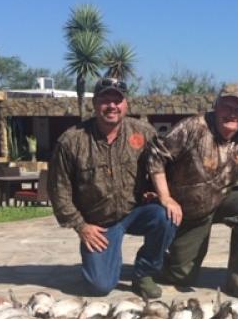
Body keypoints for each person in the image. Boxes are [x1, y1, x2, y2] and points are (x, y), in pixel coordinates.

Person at [147, 83, 238, 296]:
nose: (232, 113)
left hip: (221, 200)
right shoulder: (191, 127)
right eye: (227, 106)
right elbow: (156, 156)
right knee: (181, 276)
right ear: (216, 106)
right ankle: (158, 258)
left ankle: (236, 274)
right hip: (187, 212)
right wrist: (165, 197)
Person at [48, 77, 177, 299]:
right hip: (98, 223)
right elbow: (58, 191)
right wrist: (81, 226)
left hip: (135, 211)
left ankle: (144, 273)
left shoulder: (143, 132)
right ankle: (104, 262)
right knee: (99, 286)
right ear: (95, 104)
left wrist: (162, 195)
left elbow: (160, 165)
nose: (112, 106)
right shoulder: (71, 141)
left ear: (126, 104)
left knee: (166, 215)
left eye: (117, 100)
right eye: (105, 100)